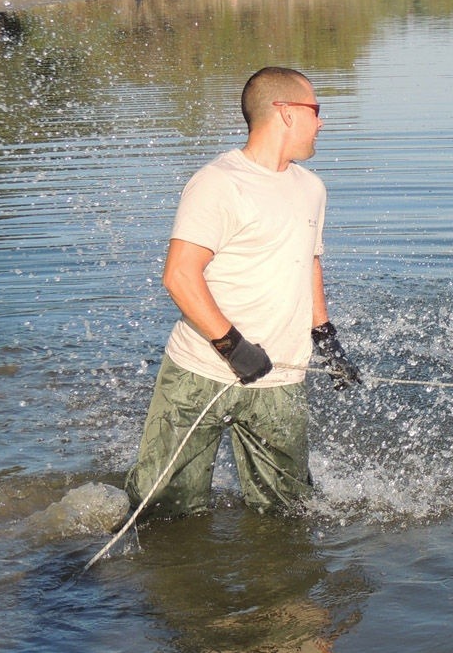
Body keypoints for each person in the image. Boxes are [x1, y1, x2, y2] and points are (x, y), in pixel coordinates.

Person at [124, 66, 360, 519]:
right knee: (165, 510)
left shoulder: (311, 188)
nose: (322, 122)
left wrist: (326, 338)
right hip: (200, 372)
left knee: (287, 513)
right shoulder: (219, 182)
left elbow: (308, 261)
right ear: (286, 113)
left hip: (280, 379)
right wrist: (233, 348)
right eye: (316, 110)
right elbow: (179, 274)